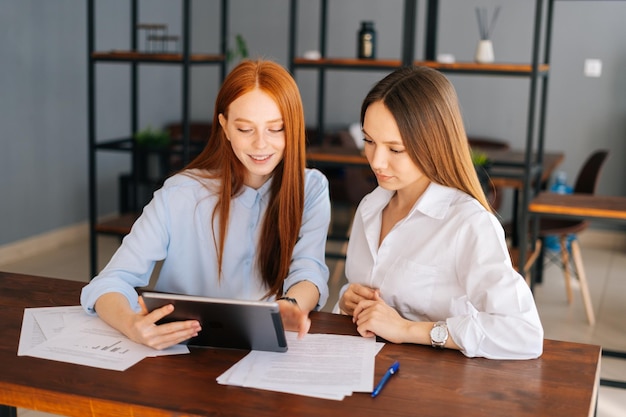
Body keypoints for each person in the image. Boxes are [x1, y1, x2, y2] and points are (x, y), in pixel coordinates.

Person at [81, 59, 331, 350]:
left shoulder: (311, 188)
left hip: (260, 350)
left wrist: (291, 305)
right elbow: (110, 281)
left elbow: (309, 271)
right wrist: (131, 325)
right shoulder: (180, 193)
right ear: (224, 126)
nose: (261, 145)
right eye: (245, 129)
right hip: (180, 351)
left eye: (276, 129)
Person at [335, 65, 543, 360]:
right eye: (369, 142)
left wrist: (408, 330)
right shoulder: (371, 207)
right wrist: (347, 301)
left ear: (433, 144)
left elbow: (524, 333)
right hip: (366, 373)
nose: (377, 162)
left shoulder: (469, 223)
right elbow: (369, 299)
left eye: (395, 150)